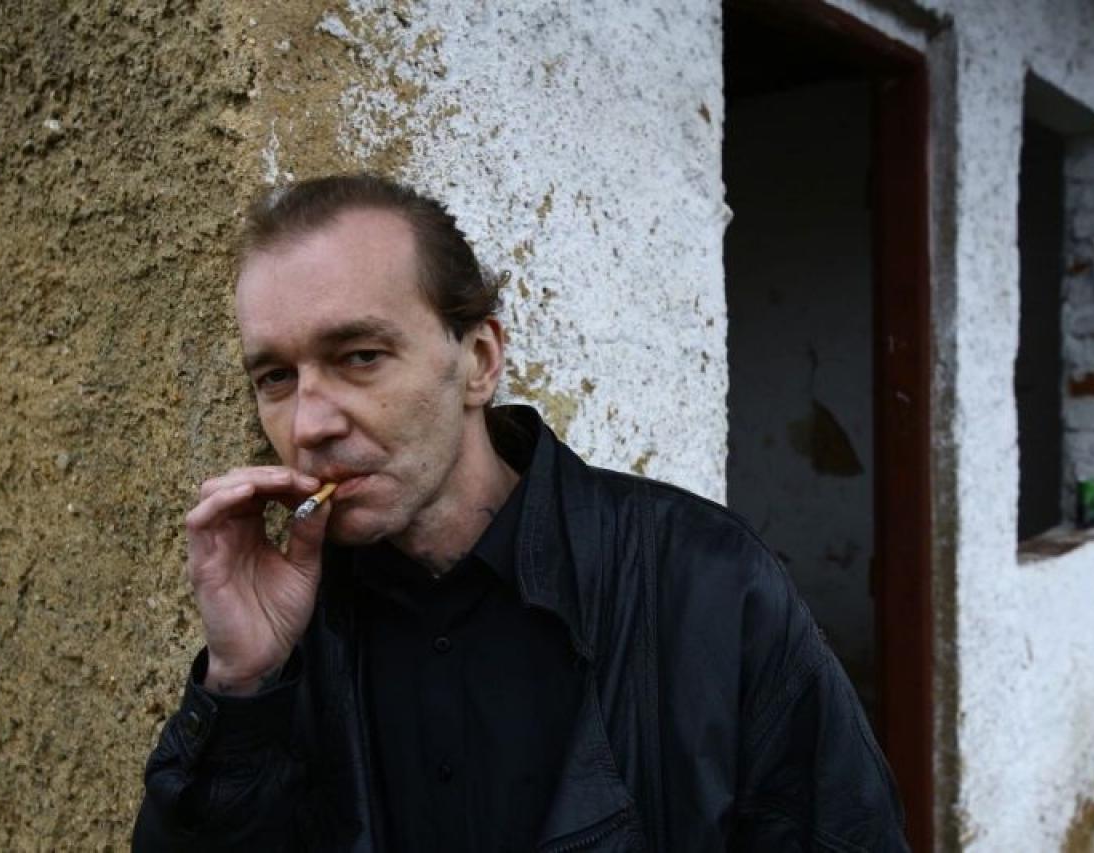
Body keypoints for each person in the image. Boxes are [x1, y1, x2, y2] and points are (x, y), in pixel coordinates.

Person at [133, 174, 907, 851]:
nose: (309, 424)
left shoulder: (704, 579)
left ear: (479, 360)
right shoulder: (287, 635)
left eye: (360, 356)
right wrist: (240, 688)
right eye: (275, 376)